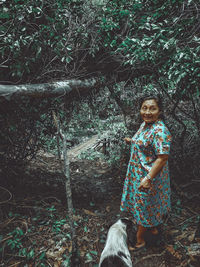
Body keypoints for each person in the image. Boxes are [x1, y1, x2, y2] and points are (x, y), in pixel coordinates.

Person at [120, 95, 172, 251]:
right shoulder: (145, 125)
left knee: (144, 205)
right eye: (144, 108)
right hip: (139, 173)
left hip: (150, 176)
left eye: (152, 108)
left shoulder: (160, 130)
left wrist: (148, 178)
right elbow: (145, 143)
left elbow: (162, 158)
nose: (147, 112)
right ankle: (153, 227)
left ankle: (140, 240)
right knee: (151, 204)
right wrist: (132, 141)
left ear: (160, 111)